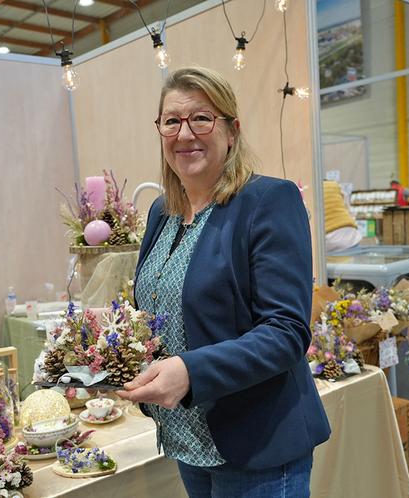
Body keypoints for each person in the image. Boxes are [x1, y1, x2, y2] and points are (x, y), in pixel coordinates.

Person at [116, 67, 331, 498]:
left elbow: (286, 332)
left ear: (231, 130)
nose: (184, 133)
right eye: (172, 121)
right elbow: (170, 308)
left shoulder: (268, 201)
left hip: (258, 444)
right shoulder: (163, 211)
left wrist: (190, 372)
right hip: (188, 439)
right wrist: (118, 329)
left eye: (201, 118)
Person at [323, 179, 362, 253]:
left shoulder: (312, 189)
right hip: (351, 232)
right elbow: (347, 206)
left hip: (330, 236)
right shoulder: (335, 186)